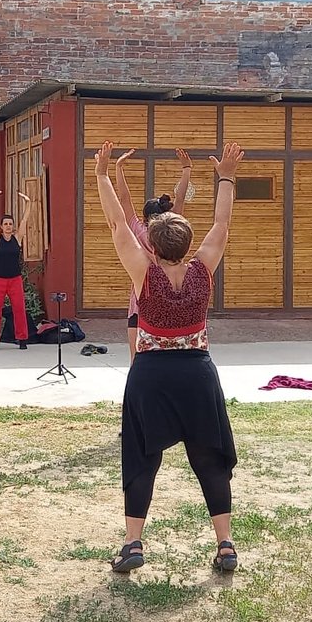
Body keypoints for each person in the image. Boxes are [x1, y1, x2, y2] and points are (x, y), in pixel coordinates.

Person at [94, 140, 243, 576]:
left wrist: (102, 174)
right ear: (187, 243)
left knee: (142, 456)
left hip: (152, 376)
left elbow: (118, 223)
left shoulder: (143, 272)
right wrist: (226, 175)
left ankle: (133, 543)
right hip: (197, 373)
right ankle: (226, 545)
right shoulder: (203, 270)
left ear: (152, 247)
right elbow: (222, 221)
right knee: (209, 457)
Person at [112, 148, 193, 360]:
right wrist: (186, 169)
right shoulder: (172, 230)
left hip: (140, 301)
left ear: (145, 216)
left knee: (136, 362)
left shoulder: (139, 231)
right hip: (171, 297)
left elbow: (124, 199)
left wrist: (118, 168)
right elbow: (181, 198)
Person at [0, 188, 33, 350]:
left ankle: (22, 339)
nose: (8, 226)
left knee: (19, 309)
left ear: (13, 227)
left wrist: (28, 203)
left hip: (15, 279)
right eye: (5, 224)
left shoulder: (17, 238)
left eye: (10, 224)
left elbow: (25, 220)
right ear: (1, 226)